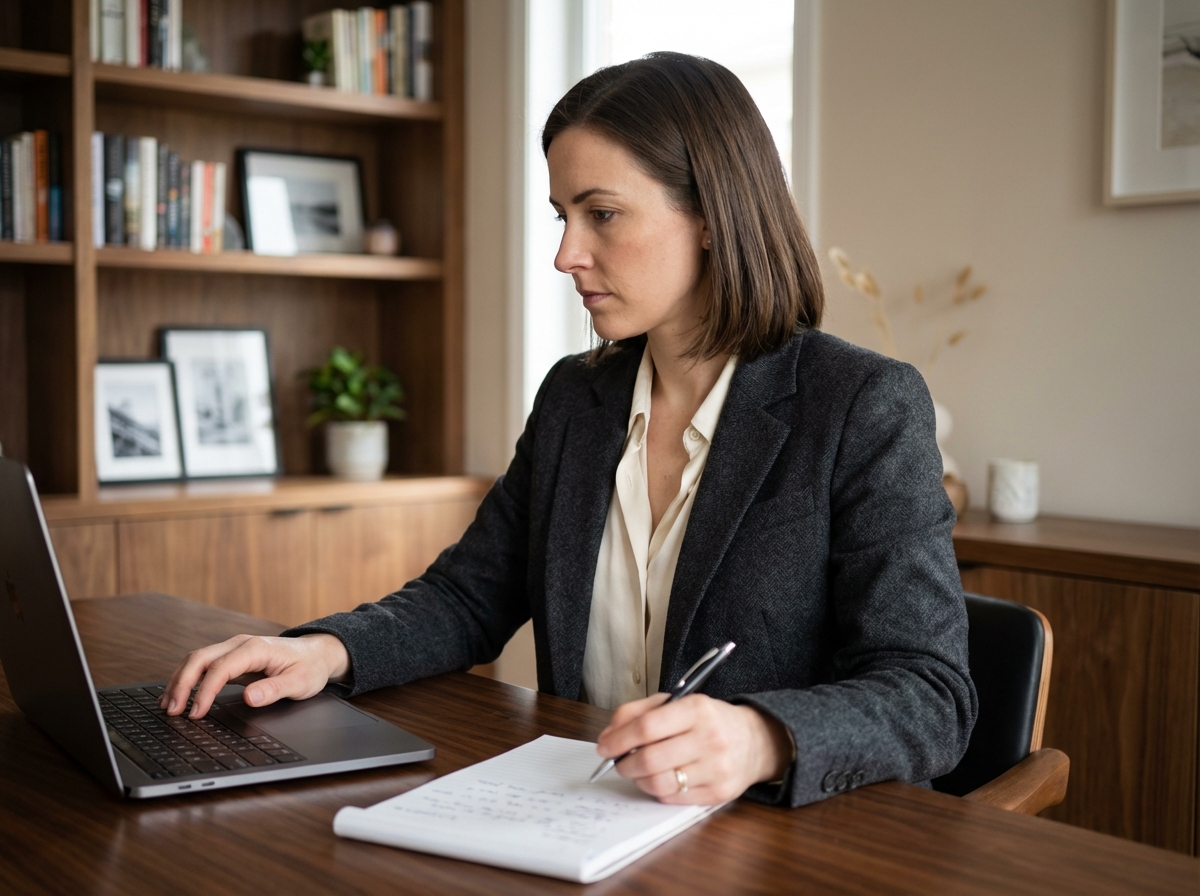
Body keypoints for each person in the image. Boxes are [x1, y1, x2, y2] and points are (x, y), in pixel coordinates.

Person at [162, 52, 976, 808]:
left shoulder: (861, 404)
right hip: (582, 816)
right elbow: (468, 596)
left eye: (603, 214)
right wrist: (327, 653)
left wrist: (762, 737)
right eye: (562, 215)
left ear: (711, 215)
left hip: (772, 838)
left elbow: (930, 694)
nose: (565, 255)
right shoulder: (573, 399)